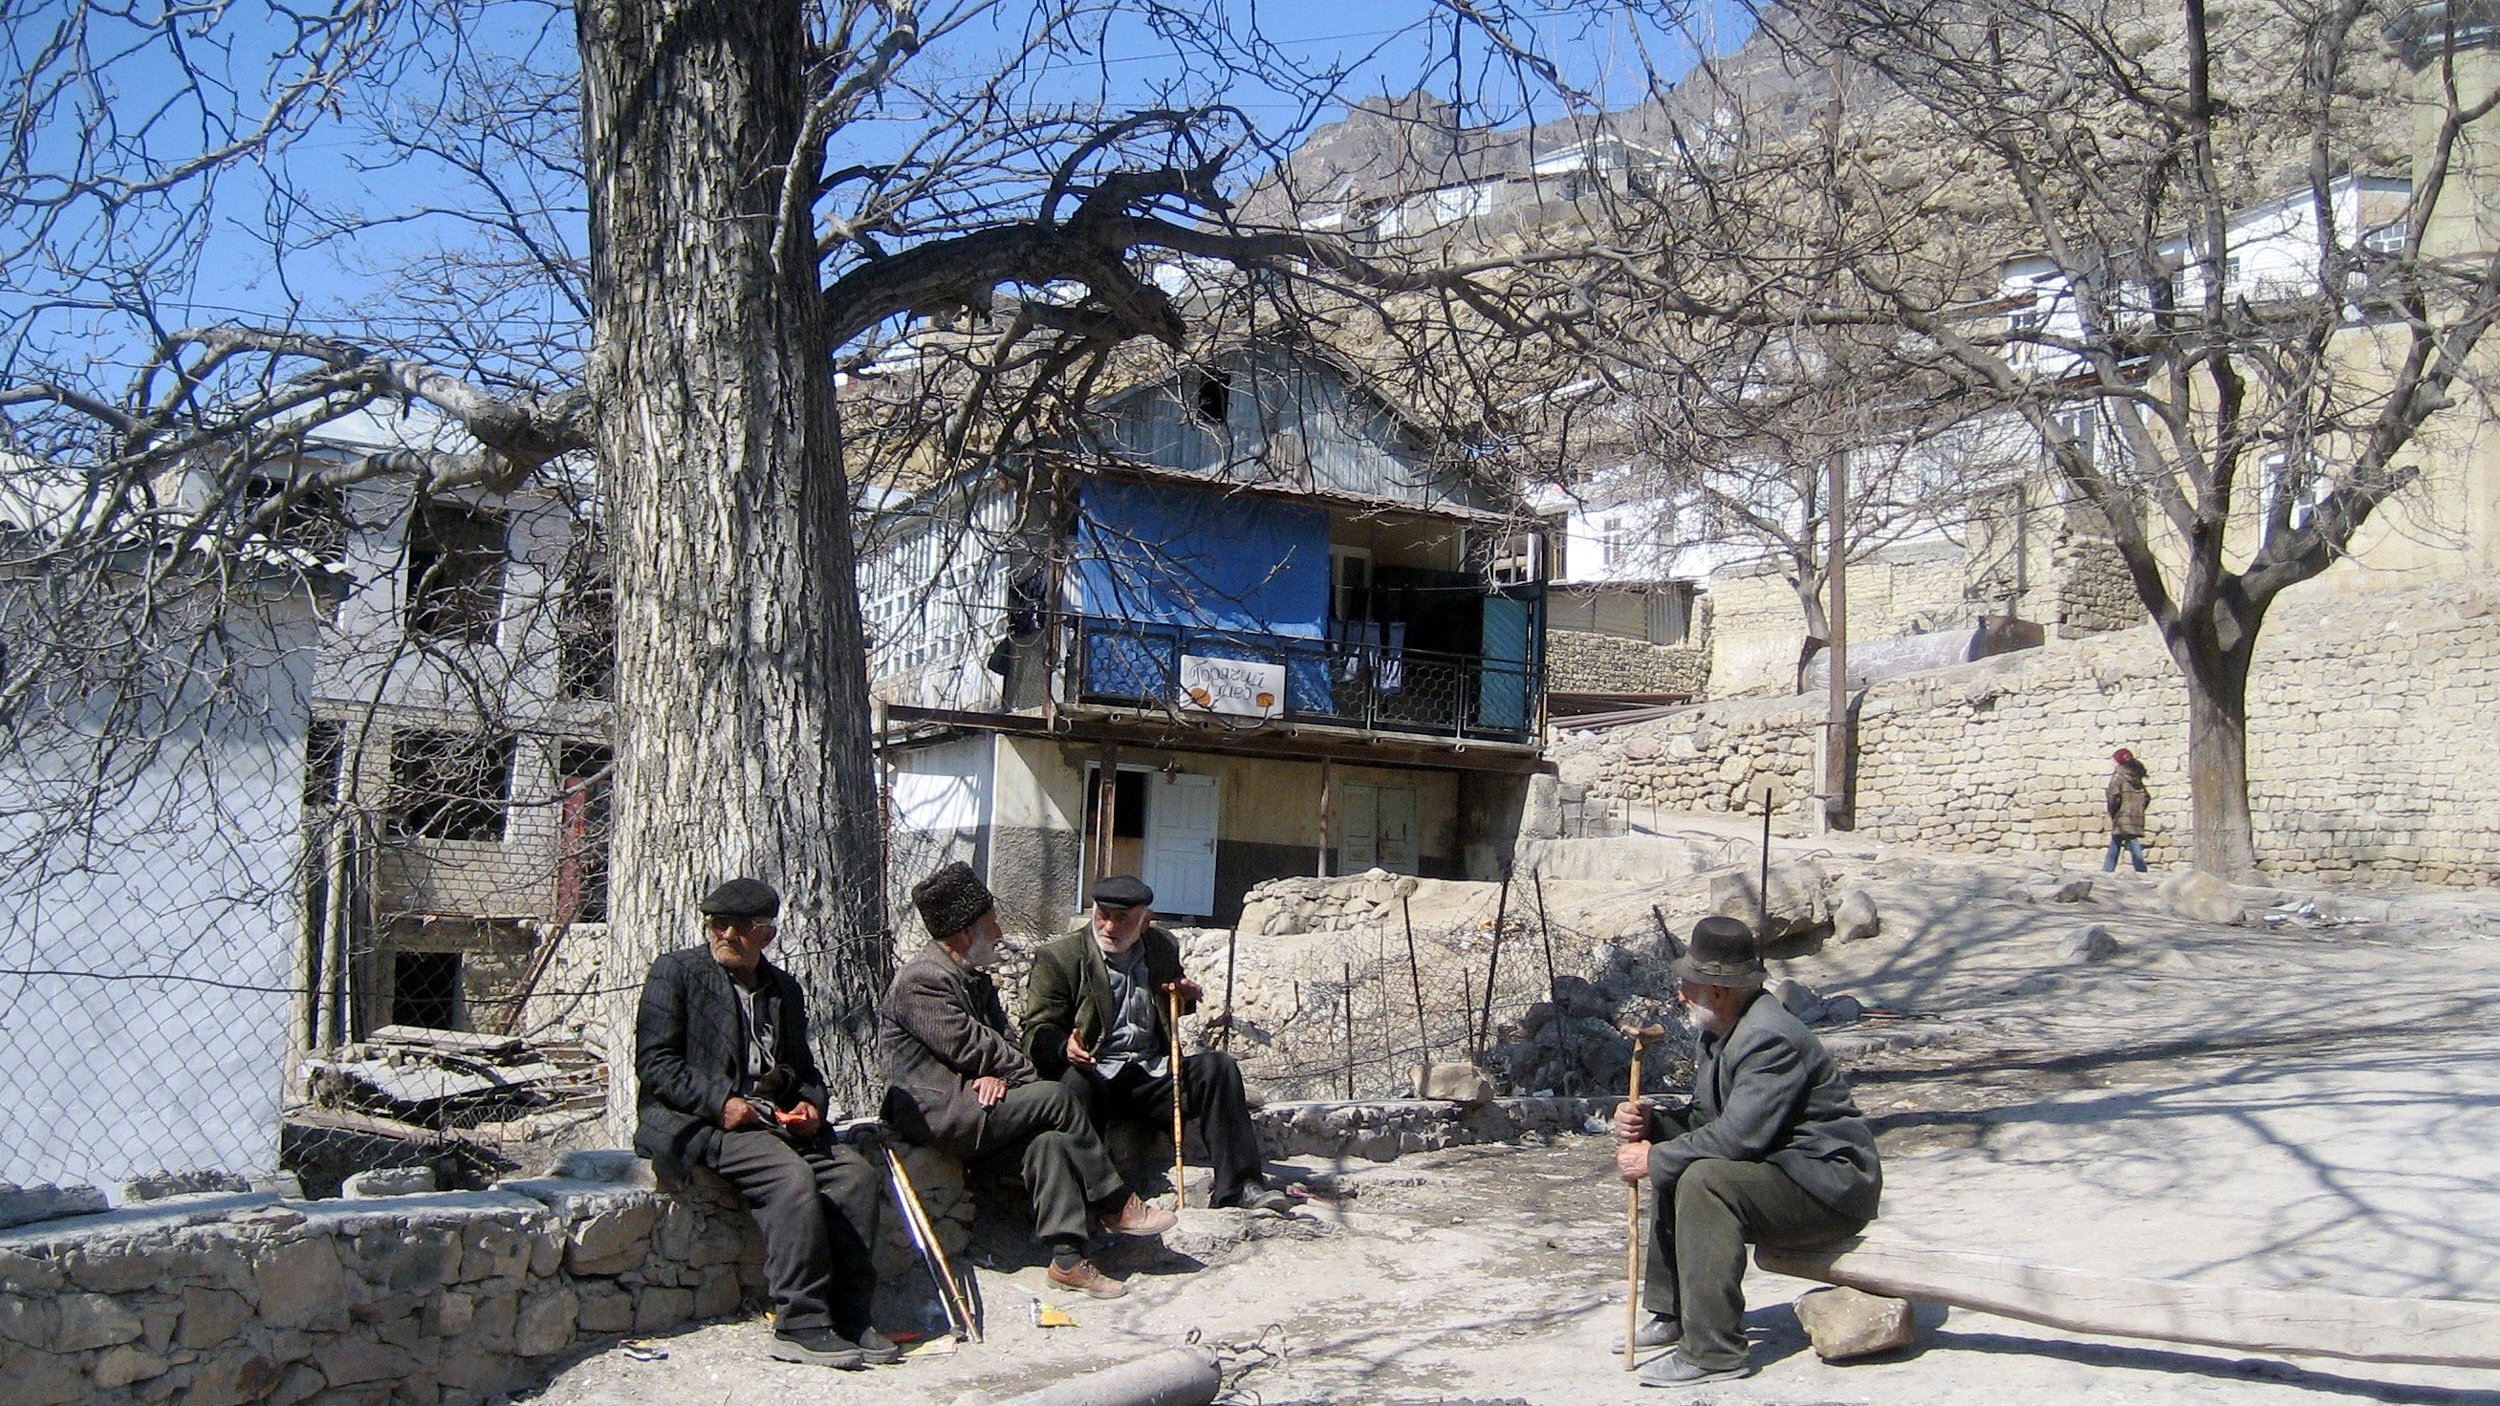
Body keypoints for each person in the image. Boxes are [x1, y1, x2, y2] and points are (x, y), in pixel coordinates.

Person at [632, 878, 899, 1370]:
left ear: (766, 934)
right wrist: (721, 1103)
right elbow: (656, 1065)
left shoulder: (783, 991)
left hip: (771, 1121)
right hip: (700, 1122)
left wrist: (809, 1107)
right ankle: (800, 1322)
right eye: (717, 923)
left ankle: (850, 1315)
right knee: (790, 1178)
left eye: (739, 926)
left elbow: (805, 1072)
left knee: (855, 1177)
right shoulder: (677, 974)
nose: (725, 934)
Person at [879, 861, 1176, 1300]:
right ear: (963, 934)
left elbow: (1000, 1042)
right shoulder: (924, 980)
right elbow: (973, 1046)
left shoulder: (969, 977)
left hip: (975, 1104)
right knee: (1056, 1097)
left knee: (1050, 1143)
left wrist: (996, 1073)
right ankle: (1114, 1203)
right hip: (935, 1113)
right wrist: (1014, 1074)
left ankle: (1068, 1259)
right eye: (991, 925)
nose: (998, 933)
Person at [1612, 916, 1882, 1388]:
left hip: (1829, 1186)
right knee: (1679, 1158)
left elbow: (1738, 1139)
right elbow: (1707, 1121)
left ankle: (1714, 1351)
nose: (1682, 995)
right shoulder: (1721, 1032)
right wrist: (1653, 1126)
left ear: (1719, 990)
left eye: (1689, 985)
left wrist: (1653, 1160)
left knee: (1703, 1180)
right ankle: (1675, 1313)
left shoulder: (1768, 1038)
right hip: (1784, 1172)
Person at [1022, 875, 1292, 1214]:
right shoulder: (1060, 957)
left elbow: (1164, 1003)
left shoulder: (1161, 948)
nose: (1109, 926)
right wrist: (1063, 1047)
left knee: (1218, 1068)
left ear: (1144, 921)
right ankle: (1086, 1202)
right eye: (1102, 915)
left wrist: (1183, 997)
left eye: (1122, 919)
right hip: (1098, 1074)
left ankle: (1241, 1186)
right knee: (1073, 1085)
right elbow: (1036, 1030)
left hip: (1152, 1074)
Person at [2104, 748, 2152, 872]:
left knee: (2129, 840)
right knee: (2119, 840)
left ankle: (2140, 869)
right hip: (2135, 815)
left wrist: (2113, 811)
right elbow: (2146, 797)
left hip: (2122, 814)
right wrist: (2139, 809)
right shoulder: (2137, 778)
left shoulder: (2119, 777)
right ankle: (2107, 869)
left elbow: (2113, 796)